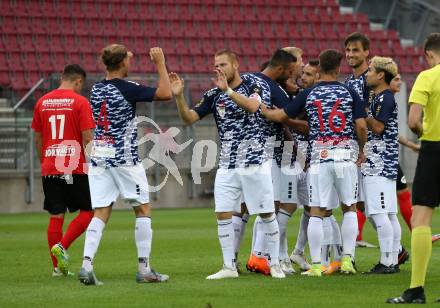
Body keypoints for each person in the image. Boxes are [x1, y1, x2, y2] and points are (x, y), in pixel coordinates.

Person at [170, 49, 285, 279]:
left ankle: (275, 264)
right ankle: (229, 267)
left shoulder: (254, 84)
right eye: (216, 65)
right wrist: (179, 96)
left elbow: (253, 107)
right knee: (222, 213)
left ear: (236, 64)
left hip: (254, 161)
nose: (219, 68)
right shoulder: (214, 94)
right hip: (227, 164)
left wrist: (229, 91)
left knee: (266, 213)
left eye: (223, 64)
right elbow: (189, 119)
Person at [263, 49, 368, 277]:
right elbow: (361, 125)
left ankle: (318, 265)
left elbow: (282, 116)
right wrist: (363, 149)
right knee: (349, 208)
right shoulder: (349, 92)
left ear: (319, 68)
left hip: (320, 157)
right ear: (339, 69)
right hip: (345, 155)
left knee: (317, 212)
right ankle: (347, 260)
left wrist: (262, 109)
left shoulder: (309, 93)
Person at [78, 44, 172, 285]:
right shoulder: (128, 88)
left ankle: (86, 265)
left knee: (101, 211)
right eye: (128, 59)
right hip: (124, 158)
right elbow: (165, 93)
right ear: (121, 63)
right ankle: (144, 269)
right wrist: (160, 64)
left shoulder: (96, 88)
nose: (130, 63)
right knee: (142, 208)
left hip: (99, 156)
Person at [387, 33, 440, 304]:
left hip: (434, 149)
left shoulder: (428, 77)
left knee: (421, 220)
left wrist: (422, 131)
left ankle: (416, 289)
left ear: (429, 54)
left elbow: (413, 119)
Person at [31, 64, 95, 277]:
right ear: (78, 81)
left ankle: (57, 268)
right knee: (88, 211)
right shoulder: (80, 102)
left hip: (49, 166)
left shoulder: (42, 102)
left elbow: (38, 138)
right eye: (81, 85)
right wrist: (92, 164)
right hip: (73, 166)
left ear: (62, 77)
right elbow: (87, 137)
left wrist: (45, 161)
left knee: (56, 215)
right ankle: (63, 247)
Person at [247, 48, 304, 276]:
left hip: (269, 152)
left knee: (273, 206)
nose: (292, 74)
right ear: (281, 68)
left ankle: (264, 257)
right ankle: (264, 257)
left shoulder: (257, 81)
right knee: (270, 207)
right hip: (269, 154)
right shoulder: (271, 87)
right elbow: (284, 118)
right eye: (291, 70)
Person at [363, 56, 401, 274]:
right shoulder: (381, 97)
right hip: (380, 159)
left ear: (380, 75)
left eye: (370, 70)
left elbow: (378, 128)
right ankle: (392, 258)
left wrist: (362, 115)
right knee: (387, 213)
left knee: (378, 213)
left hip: (379, 160)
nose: (367, 74)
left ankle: (388, 262)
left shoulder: (385, 98)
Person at [344, 32, 376, 248]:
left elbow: (370, 117)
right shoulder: (349, 81)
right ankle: (397, 250)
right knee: (361, 203)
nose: (350, 54)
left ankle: (394, 252)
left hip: (370, 148)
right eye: (347, 50)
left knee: (371, 203)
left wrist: (366, 148)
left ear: (366, 52)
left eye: (355, 50)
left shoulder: (371, 79)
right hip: (354, 148)